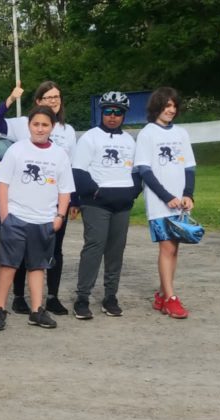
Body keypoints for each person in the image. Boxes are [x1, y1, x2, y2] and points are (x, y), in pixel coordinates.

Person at [0, 81, 76, 317]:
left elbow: (67, 181)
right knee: (11, 261)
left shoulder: (66, 133)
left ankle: (47, 301)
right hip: (18, 212)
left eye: (57, 96)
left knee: (45, 258)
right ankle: (10, 302)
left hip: (49, 211)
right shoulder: (19, 140)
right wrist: (11, 98)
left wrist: (62, 212)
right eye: (48, 97)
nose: (53, 101)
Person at [71, 92, 138, 319]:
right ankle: (82, 297)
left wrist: (132, 192)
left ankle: (110, 296)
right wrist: (96, 192)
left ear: (124, 115)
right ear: (102, 112)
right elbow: (79, 171)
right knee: (94, 248)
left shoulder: (129, 140)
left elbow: (138, 171)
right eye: (108, 111)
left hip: (123, 204)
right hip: (97, 203)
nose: (112, 116)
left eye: (118, 112)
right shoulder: (90, 137)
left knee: (116, 251)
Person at [133, 87, 196, 319]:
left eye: (173, 106)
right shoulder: (147, 133)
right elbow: (145, 170)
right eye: (166, 105)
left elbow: (189, 167)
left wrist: (188, 194)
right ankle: (170, 298)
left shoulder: (181, 133)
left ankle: (162, 294)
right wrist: (166, 197)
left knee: (174, 248)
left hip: (180, 202)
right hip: (161, 202)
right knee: (167, 247)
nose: (171, 110)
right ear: (157, 107)